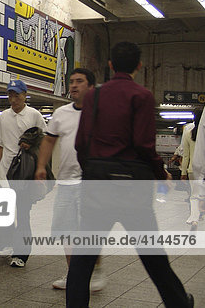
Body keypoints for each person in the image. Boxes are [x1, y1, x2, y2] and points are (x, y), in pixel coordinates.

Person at [69, 42, 193, 308]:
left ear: (111, 65)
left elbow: (81, 143)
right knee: (152, 255)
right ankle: (179, 303)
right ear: (139, 66)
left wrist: (91, 171)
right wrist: (160, 174)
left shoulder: (94, 96)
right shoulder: (143, 95)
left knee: (82, 260)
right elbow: (144, 144)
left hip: (97, 185)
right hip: (132, 189)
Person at [35, 68, 106, 291]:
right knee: (66, 231)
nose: (74, 85)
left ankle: (94, 271)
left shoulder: (101, 113)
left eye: (79, 81)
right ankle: (73, 275)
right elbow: (48, 140)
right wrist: (41, 167)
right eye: (71, 81)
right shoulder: (61, 113)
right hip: (66, 182)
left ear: (91, 86)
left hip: (92, 182)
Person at [0, 78, 46, 267]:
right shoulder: (3, 116)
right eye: (10, 94)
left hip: (25, 173)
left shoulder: (34, 115)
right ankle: (4, 242)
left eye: (17, 95)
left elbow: (45, 141)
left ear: (25, 95)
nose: (13, 98)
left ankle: (21, 254)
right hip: (7, 171)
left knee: (23, 212)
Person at [181, 109, 203, 227]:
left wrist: (183, 172)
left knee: (194, 195)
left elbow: (186, 155)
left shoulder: (188, 132)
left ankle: (194, 218)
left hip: (192, 169)